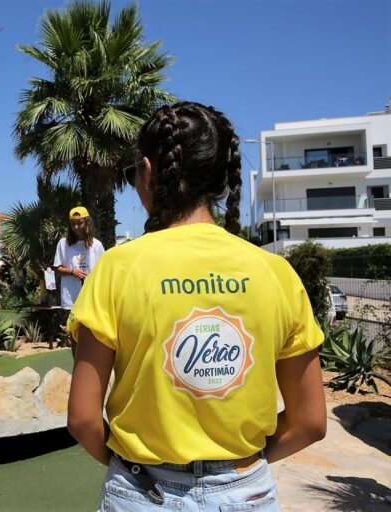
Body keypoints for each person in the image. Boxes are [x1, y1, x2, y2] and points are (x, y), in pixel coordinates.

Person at [67, 101, 327, 511]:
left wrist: (129, 471)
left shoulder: (117, 268)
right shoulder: (276, 273)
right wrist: (243, 469)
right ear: (223, 179)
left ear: (148, 171)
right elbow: (310, 421)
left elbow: (83, 419)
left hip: (141, 491)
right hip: (247, 491)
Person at [53, 206, 104, 352]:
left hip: (91, 298)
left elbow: (104, 269)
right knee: (74, 335)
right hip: (71, 298)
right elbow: (57, 268)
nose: (76, 227)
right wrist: (72, 271)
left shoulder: (96, 245)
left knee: (93, 333)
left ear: (87, 222)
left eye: (79, 223)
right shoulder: (63, 244)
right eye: (73, 223)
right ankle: (76, 363)